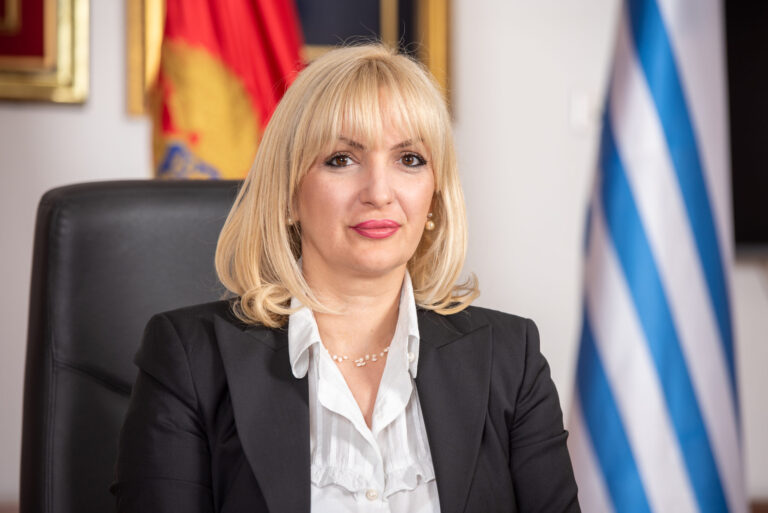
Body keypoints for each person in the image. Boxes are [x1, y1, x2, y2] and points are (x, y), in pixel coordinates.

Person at [112, 44, 580, 512]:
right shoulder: (191, 359)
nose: (379, 192)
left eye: (409, 159)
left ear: (434, 198)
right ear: (288, 196)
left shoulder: (511, 359)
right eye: (341, 159)